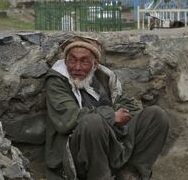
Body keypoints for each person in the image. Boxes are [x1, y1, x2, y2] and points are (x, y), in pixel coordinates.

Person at [45, 36, 169, 180]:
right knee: (92, 122)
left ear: (94, 64)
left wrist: (115, 116)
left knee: (156, 116)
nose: (77, 67)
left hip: (108, 142)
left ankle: (130, 173)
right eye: (72, 60)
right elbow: (68, 118)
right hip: (74, 153)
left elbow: (129, 104)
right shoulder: (57, 81)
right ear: (66, 61)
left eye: (84, 61)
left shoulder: (103, 78)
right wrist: (112, 117)